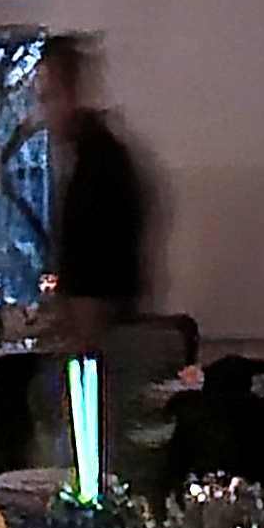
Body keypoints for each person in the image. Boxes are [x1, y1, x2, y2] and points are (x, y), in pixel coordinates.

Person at [34, 35, 152, 346]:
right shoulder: (87, 161)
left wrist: (79, 333)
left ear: (72, 95)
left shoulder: (99, 168)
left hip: (97, 343)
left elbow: (94, 276)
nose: (44, 113)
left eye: (48, 98)